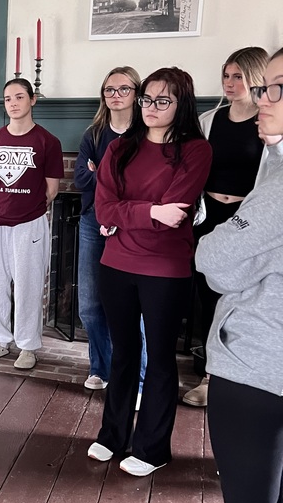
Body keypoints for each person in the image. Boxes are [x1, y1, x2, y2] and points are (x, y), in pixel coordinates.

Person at [88, 67, 212, 477]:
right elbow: (104, 210)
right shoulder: (120, 148)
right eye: (147, 99)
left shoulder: (195, 150)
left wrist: (136, 214)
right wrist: (150, 210)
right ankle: (113, 435)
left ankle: (152, 447)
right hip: (116, 265)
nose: (151, 107)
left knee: (159, 358)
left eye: (163, 100)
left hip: (166, 269)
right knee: (123, 353)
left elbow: (175, 215)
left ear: (182, 105)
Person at [197, 47, 283, 503]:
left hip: (257, 363)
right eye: (262, 87)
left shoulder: (277, 191)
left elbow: (216, 261)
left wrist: (228, 237)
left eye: (276, 88)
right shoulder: (269, 165)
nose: (262, 98)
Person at [182, 46, 268, 407]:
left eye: (238, 76)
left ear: (256, 78)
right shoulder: (207, 121)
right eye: (226, 75)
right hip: (210, 219)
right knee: (208, 297)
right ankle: (208, 375)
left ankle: (239, 376)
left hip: (248, 223)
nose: (230, 83)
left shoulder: (268, 123)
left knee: (243, 299)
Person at [0, 78, 63, 370]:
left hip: (30, 223)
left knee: (29, 284)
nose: (13, 103)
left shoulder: (48, 141)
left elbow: (52, 189)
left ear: (32, 100)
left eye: (19, 97)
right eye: (7, 99)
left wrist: (26, 206)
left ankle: (27, 346)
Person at [74, 67, 141, 390]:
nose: (115, 95)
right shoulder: (94, 134)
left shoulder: (145, 133)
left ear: (136, 93)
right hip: (92, 220)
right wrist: (112, 176)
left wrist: (101, 172)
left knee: (132, 306)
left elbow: (140, 184)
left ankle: (135, 377)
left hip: (131, 226)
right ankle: (99, 367)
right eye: (109, 90)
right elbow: (79, 179)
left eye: (123, 89)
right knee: (89, 303)